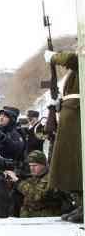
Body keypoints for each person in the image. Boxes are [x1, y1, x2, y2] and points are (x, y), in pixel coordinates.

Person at [44, 50, 82, 223]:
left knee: (77, 165)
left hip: (76, 119)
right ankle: (82, 205)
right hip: (72, 117)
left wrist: (53, 56)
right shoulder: (76, 72)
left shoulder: (79, 62)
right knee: (71, 166)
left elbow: (72, 59)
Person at [4, 150, 64, 218]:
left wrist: (18, 181)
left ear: (44, 165)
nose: (32, 168)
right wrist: (11, 182)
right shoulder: (34, 177)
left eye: (35, 165)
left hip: (46, 217)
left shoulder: (50, 177)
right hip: (30, 217)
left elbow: (36, 195)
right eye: (30, 165)